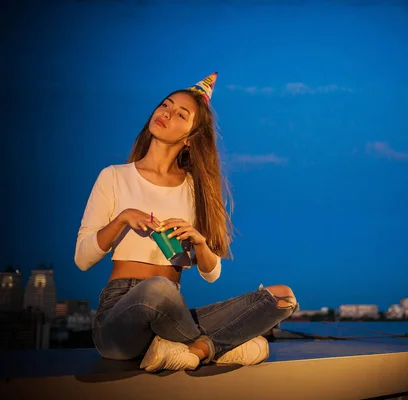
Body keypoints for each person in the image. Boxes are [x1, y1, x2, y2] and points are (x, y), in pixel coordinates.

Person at [74, 72, 298, 372]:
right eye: (165, 105)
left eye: (180, 114)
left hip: (171, 315)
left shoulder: (194, 190)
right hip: (118, 318)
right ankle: (221, 347)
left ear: (191, 138)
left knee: (282, 296)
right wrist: (122, 219)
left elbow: (211, 273)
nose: (166, 113)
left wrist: (200, 242)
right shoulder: (114, 176)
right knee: (157, 288)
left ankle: (197, 348)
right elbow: (82, 259)